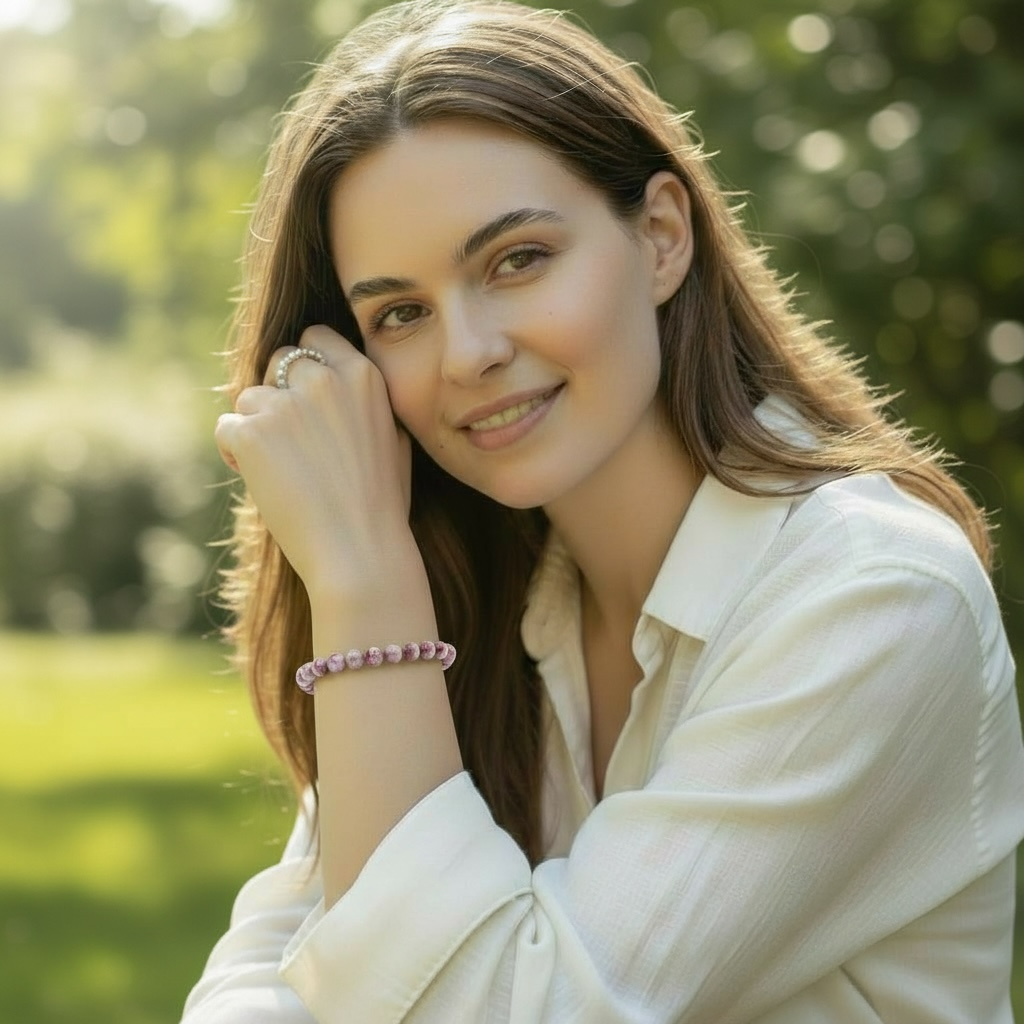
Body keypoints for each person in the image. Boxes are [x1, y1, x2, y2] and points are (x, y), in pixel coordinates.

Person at [181, 0, 1024, 1020]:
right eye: (399, 314)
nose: (468, 353)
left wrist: (362, 584)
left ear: (662, 237)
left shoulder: (873, 598)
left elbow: (500, 1006)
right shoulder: (470, 593)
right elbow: (274, 966)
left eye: (516, 260)